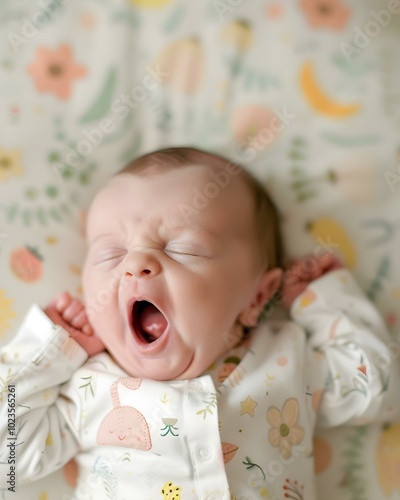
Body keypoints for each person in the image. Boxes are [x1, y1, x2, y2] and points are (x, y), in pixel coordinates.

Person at [0, 147, 399, 500]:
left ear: (258, 297)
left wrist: (323, 299)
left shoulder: (286, 359)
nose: (136, 263)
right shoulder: (88, 388)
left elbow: (378, 388)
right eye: (111, 254)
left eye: (182, 247)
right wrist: (46, 351)